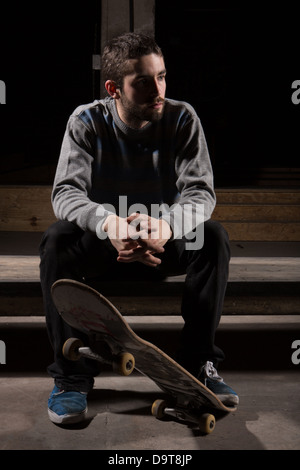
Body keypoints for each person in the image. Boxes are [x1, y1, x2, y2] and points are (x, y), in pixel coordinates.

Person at [40, 32, 239, 425]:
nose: (158, 89)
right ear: (114, 88)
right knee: (56, 239)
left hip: (162, 244)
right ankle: (71, 376)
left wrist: (166, 225)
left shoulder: (183, 118)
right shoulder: (86, 121)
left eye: (162, 77)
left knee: (213, 237)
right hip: (105, 248)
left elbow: (200, 193)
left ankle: (200, 363)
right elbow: (65, 193)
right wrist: (108, 223)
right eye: (144, 82)